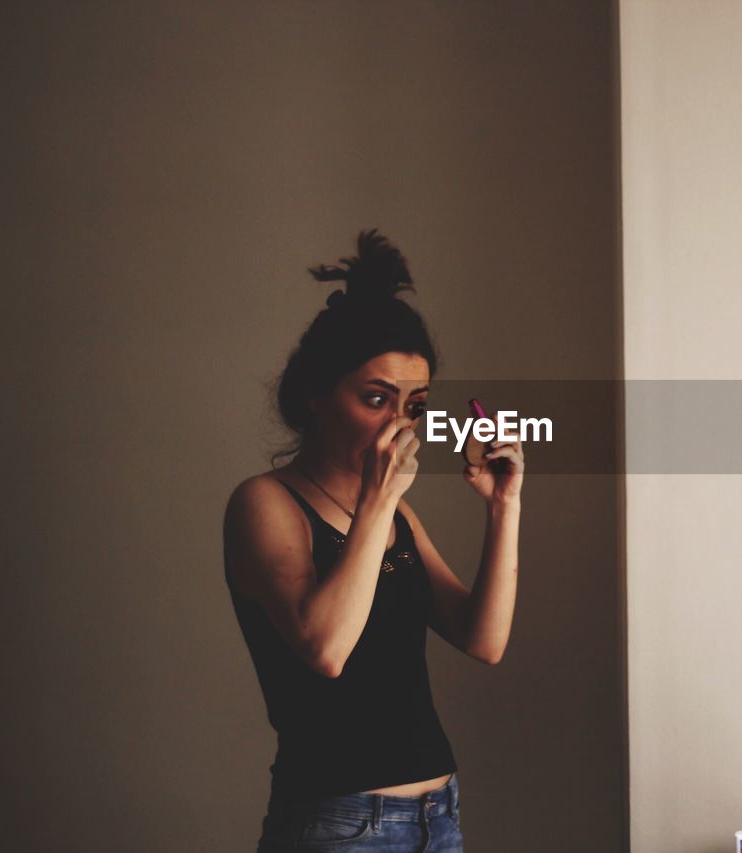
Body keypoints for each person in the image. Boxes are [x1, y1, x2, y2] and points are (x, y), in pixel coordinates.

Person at [222, 229, 524, 851]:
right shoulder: (266, 502)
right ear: (315, 395)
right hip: (340, 825)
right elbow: (326, 648)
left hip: (438, 818)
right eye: (376, 399)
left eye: (414, 406)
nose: (398, 424)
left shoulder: (395, 514)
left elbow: (484, 639)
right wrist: (378, 500)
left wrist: (504, 509)